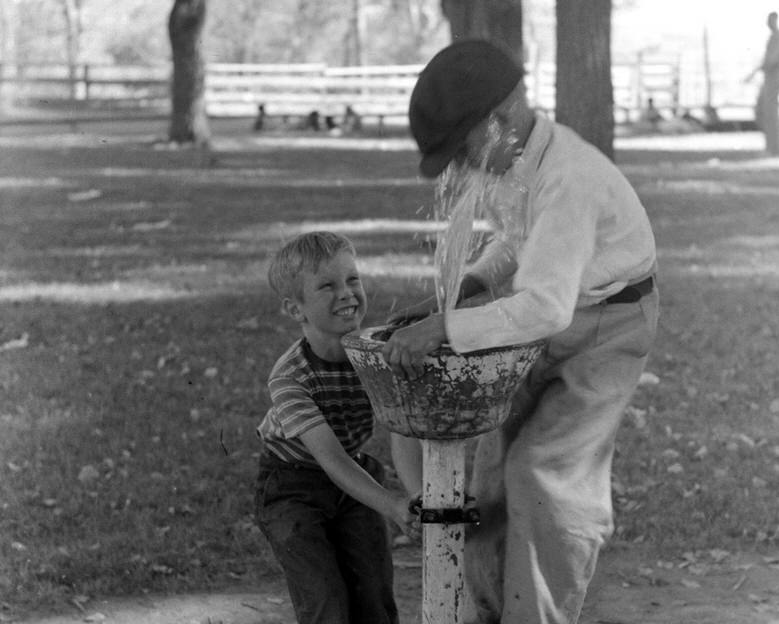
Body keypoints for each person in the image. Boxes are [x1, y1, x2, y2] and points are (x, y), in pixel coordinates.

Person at [383, 40, 659, 624]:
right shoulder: (512, 158)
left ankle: (537, 616)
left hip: (610, 326)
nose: (459, 166)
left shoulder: (569, 180)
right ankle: (489, 610)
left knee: (545, 474)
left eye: (460, 149)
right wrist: (470, 287)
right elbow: (516, 242)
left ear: (499, 120)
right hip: (551, 313)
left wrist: (446, 327)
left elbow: (546, 307)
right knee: (490, 474)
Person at [253, 231, 421, 624]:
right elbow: (328, 458)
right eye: (327, 286)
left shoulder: (377, 355)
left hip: (354, 478)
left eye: (352, 279)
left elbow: (403, 431)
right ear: (296, 310)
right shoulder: (290, 378)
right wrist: (392, 505)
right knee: (326, 602)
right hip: (292, 487)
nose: (346, 293)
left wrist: (415, 501)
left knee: (374, 600)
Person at [746, 11, 779, 154]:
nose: (769, 23)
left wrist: (763, 67)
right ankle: (772, 144)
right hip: (768, 77)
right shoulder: (772, 37)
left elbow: (774, 59)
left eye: (771, 20)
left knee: (771, 112)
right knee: (763, 110)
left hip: (774, 76)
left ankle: (775, 145)